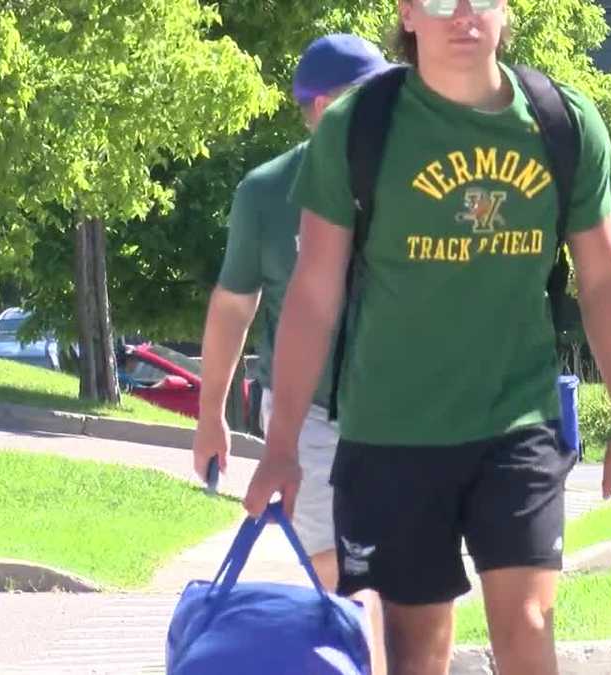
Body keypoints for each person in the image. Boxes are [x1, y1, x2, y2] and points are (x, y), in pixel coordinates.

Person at [243, 2, 611, 673]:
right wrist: (282, 445)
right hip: (390, 433)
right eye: (438, 1)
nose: (461, 15)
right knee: (414, 649)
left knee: (528, 624)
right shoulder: (358, 127)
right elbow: (314, 295)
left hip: (517, 422)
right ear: (408, 12)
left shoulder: (563, 123)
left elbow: (603, 279)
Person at [191, 33, 392, 671]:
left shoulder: (412, 182)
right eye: (370, 96)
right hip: (309, 417)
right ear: (325, 106)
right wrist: (210, 414)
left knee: (401, 578)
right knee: (344, 573)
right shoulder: (267, 191)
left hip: (404, 407)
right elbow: (233, 307)